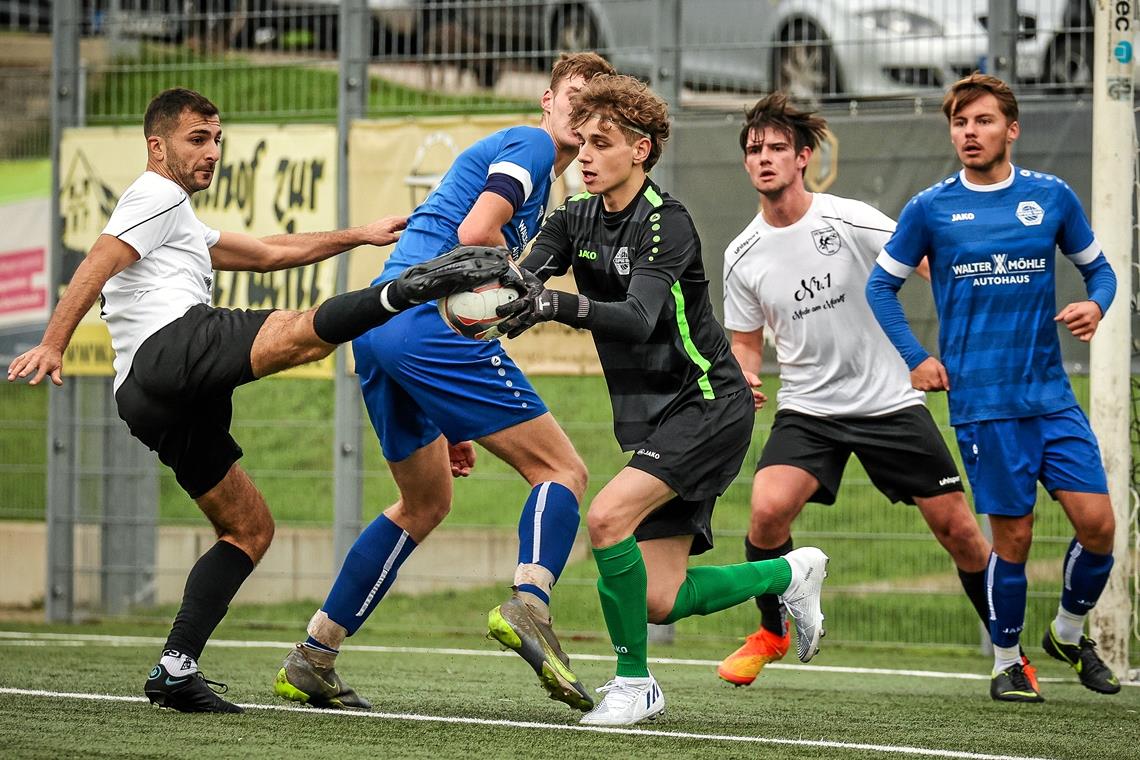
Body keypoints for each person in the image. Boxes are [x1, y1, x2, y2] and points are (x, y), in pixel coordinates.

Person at [5, 87, 513, 714]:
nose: (212, 152)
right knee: (305, 339)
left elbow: (269, 253)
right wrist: (54, 344)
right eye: (198, 139)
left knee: (248, 530)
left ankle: (175, 666)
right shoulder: (153, 194)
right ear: (156, 147)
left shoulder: (177, 217)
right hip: (172, 350)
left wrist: (359, 234)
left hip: (147, 397)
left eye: (218, 139)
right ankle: (409, 292)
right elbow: (99, 261)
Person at [273, 52, 616, 713]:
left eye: (597, 99)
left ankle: (314, 655)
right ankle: (532, 605)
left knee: (424, 503)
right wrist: (522, 287)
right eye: (575, 93)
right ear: (548, 99)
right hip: (429, 325)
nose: (583, 108)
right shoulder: (533, 146)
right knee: (563, 472)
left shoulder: (539, 170)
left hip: (380, 326)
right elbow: (475, 234)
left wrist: (449, 411)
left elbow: (463, 243)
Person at [496, 74, 829, 727]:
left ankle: (634, 683)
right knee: (658, 597)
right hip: (653, 416)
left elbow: (640, 316)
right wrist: (497, 290)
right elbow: (531, 270)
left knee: (606, 519)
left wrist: (553, 305)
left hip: (707, 402)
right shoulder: (574, 216)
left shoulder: (665, 223)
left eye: (603, 142)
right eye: (582, 141)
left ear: (641, 150)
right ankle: (786, 576)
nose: (585, 155)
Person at [715, 93, 998, 688]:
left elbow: (928, 265)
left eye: (775, 149)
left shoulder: (848, 219)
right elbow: (746, 343)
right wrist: (744, 370)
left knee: (962, 533)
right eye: (753, 151)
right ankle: (771, 631)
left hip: (889, 402)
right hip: (809, 409)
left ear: (803, 157)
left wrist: (975, 307)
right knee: (766, 512)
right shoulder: (740, 254)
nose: (763, 159)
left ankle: (1009, 653)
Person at [866, 73, 1120, 702]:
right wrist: (918, 357)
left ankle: (1067, 630)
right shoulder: (931, 208)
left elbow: (1103, 272)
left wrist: (1096, 306)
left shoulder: (1051, 197)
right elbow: (880, 287)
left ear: (1012, 129)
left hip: (1051, 397)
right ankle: (1007, 660)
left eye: (981, 121)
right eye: (959, 123)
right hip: (983, 405)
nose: (969, 133)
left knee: (1100, 526)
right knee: (1015, 539)